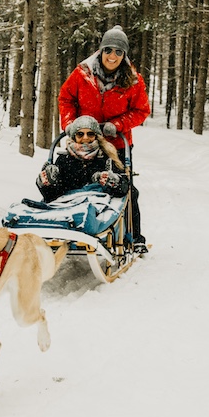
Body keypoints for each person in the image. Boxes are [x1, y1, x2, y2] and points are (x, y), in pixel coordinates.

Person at [58, 25, 150, 253]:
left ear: (124, 55)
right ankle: (65, 224)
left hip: (115, 144)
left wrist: (117, 125)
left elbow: (141, 111)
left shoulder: (133, 80)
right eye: (108, 50)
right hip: (83, 140)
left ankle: (134, 237)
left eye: (118, 52)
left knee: (124, 189)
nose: (112, 56)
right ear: (101, 50)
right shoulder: (82, 74)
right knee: (73, 182)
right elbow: (66, 99)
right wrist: (71, 124)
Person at [36, 116, 130, 202]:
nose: (85, 138)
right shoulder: (64, 160)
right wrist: (47, 183)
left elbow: (125, 188)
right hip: (67, 205)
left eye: (90, 134)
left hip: (98, 207)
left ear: (96, 136)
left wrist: (114, 182)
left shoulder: (106, 158)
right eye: (80, 134)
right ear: (74, 137)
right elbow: (52, 196)